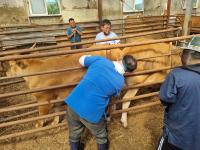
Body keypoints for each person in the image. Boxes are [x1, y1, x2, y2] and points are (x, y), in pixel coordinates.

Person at [64, 55, 137, 150]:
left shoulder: (101, 60)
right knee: (101, 135)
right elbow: (115, 95)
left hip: (73, 103)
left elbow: (81, 60)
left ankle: (74, 148)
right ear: (128, 71)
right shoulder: (120, 82)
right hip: (91, 112)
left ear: (120, 58)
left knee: (74, 131)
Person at [157, 36, 200, 150]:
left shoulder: (177, 75)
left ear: (188, 55)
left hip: (177, 136)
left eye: (183, 53)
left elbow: (165, 99)